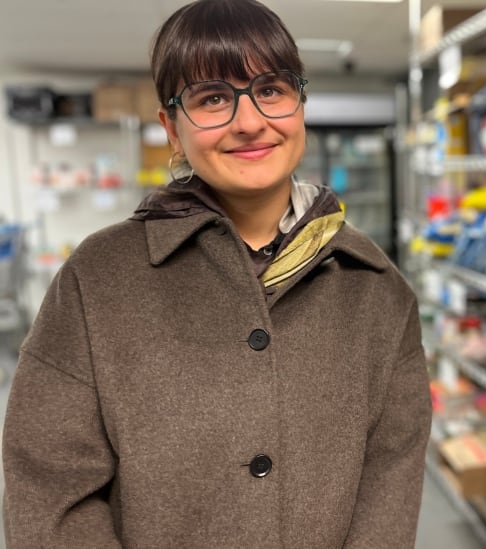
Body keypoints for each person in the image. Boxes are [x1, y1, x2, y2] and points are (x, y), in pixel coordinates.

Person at [2, 1, 432, 547]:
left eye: (271, 89)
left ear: (300, 104)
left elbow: (391, 482)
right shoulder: (97, 280)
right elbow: (50, 492)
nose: (250, 121)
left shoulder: (378, 289)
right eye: (212, 99)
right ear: (172, 129)